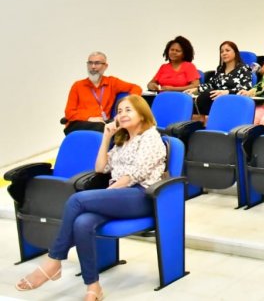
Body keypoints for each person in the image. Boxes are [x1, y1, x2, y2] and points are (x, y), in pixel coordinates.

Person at [16, 95, 166, 301]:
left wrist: (108, 193)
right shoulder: (122, 141)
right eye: (119, 111)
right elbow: (100, 168)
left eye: (128, 110)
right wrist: (106, 138)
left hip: (141, 196)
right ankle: (93, 287)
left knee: (77, 200)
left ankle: (54, 260)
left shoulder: (151, 137)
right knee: (82, 223)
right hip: (119, 195)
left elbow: (136, 174)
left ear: (142, 114)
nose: (122, 114)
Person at [64, 52, 142, 135]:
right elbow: (69, 113)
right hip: (78, 124)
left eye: (97, 63)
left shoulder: (112, 82)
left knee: (116, 128)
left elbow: (136, 88)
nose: (93, 67)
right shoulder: (77, 85)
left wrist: (126, 107)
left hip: (103, 123)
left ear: (105, 66)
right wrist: (89, 118)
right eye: (90, 63)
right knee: (104, 128)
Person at [186, 41, 253, 116]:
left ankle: (203, 119)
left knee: (207, 95)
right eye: (222, 51)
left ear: (235, 52)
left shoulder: (244, 68)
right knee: (196, 97)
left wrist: (226, 92)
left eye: (227, 50)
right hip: (217, 100)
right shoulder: (220, 69)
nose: (224, 53)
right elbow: (211, 84)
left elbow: (246, 87)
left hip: (232, 100)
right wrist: (196, 89)